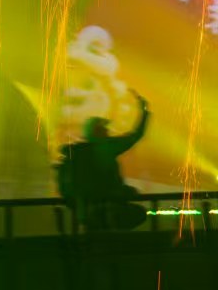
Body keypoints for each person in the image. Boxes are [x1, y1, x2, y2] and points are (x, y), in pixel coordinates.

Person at [56, 93, 151, 230]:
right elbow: (135, 136)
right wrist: (144, 111)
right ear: (97, 131)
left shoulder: (80, 152)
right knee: (139, 213)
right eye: (104, 128)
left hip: (85, 212)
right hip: (106, 211)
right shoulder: (105, 148)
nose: (108, 130)